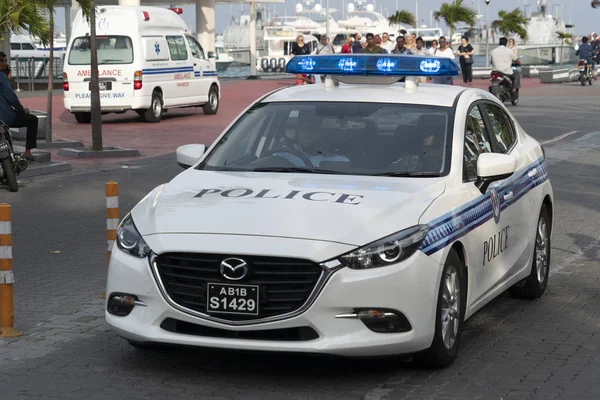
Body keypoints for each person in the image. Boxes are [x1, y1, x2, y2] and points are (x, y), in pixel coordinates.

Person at [0, 52, 37, 161]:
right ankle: (27, 152)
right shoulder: (1, 76)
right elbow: (11, 97)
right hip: (5, 117)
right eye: (1, 61)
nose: (4, 63)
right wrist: (21, 110)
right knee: (32, 120)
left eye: (5, 61)